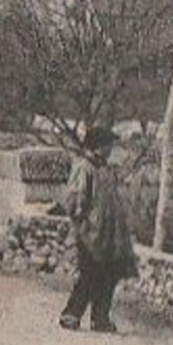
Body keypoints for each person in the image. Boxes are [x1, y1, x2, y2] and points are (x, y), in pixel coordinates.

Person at [59, 126, 137, 333]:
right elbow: (76, 199)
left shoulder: (104, 169)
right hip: (90, 233)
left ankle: (100, 318)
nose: (110, 149)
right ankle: (71, 314)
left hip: (108, 234)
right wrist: (81, 223)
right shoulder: (84, 168)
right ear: (97, 146)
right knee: (89, 274)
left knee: (108, 276)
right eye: (107, 145)